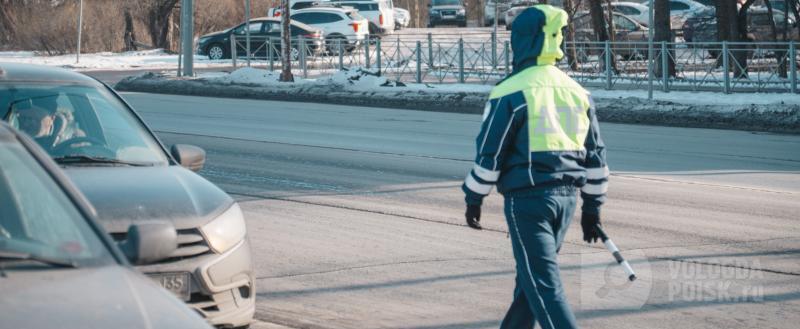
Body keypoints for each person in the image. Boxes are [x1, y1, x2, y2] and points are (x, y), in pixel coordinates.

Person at [461, 5, 609, 329]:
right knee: (530, 283)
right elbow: (596, 156)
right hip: (567, 201)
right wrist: (592, 208)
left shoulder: (511, 90)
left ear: (522, 40)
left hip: (528, 202)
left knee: (543, 287)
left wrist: (474, 197)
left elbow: (490, 153)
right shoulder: (578, 92)